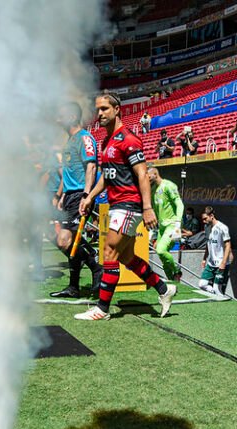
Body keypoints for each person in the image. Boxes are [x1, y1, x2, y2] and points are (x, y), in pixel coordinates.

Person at [76, 90, 175, 321]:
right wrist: (89, 196)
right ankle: (164, 289)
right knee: (126, 256)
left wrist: (147, 207)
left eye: (104, 109)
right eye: (97, 109)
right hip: (117, 204)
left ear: (117, 109)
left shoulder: (128, 139)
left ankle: (102, 309)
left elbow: (143, 173)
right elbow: (106, 175)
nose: (99, 114)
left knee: (109, 252)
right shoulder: (106, 141)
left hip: (129, 205)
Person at [49, 102, 103, 299]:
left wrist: (86, 195)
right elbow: (68, 173)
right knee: (70, 242)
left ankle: (97, 268)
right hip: (70, 196)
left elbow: (91, 167)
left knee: (65, 241)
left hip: (81, 195)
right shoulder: (69, 141)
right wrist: (60, 195)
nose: (57, 119)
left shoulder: (85, 138)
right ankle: (73, 287)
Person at [147, 165, 183, 282]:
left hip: (172, 225)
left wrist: (178, 222)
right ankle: (172, 281)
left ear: (155, 174)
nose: (147, 178)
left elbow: (179, 204)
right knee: (161, 255)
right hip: (162, 228)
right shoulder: (153, 190)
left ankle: (177, 270)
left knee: (161, 250)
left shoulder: (169, 185)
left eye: (148, 176)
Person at [199, 206, 232, 295]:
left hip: (221, 263)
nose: (204, 221)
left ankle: (219, 296)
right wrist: (204, 259)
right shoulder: (207, 228)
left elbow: (228, 245)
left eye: (205, 219)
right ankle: (215, 293)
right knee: (202, 284)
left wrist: (224, 262)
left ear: (212, 216)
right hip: (211, 263)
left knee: (218, 289)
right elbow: (208, 244)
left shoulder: (222, 227)